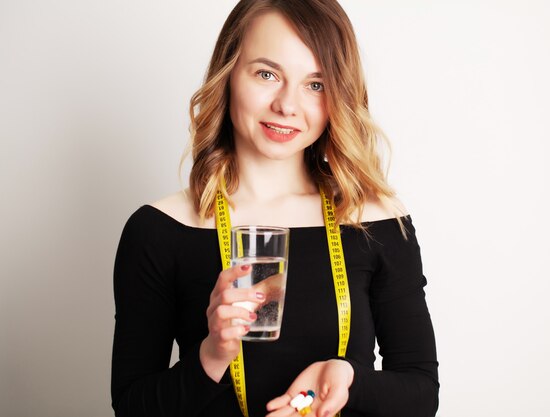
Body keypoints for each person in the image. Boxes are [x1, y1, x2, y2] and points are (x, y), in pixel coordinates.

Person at [111, 1, 439, 416]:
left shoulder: (374, 220)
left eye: (315, 84)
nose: (287, 105)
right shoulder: (159, 230)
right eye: (267, 74)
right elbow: (130, 406)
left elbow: (421, 393)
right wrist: (212, 355)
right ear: (227, 75)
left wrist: (346, 382)